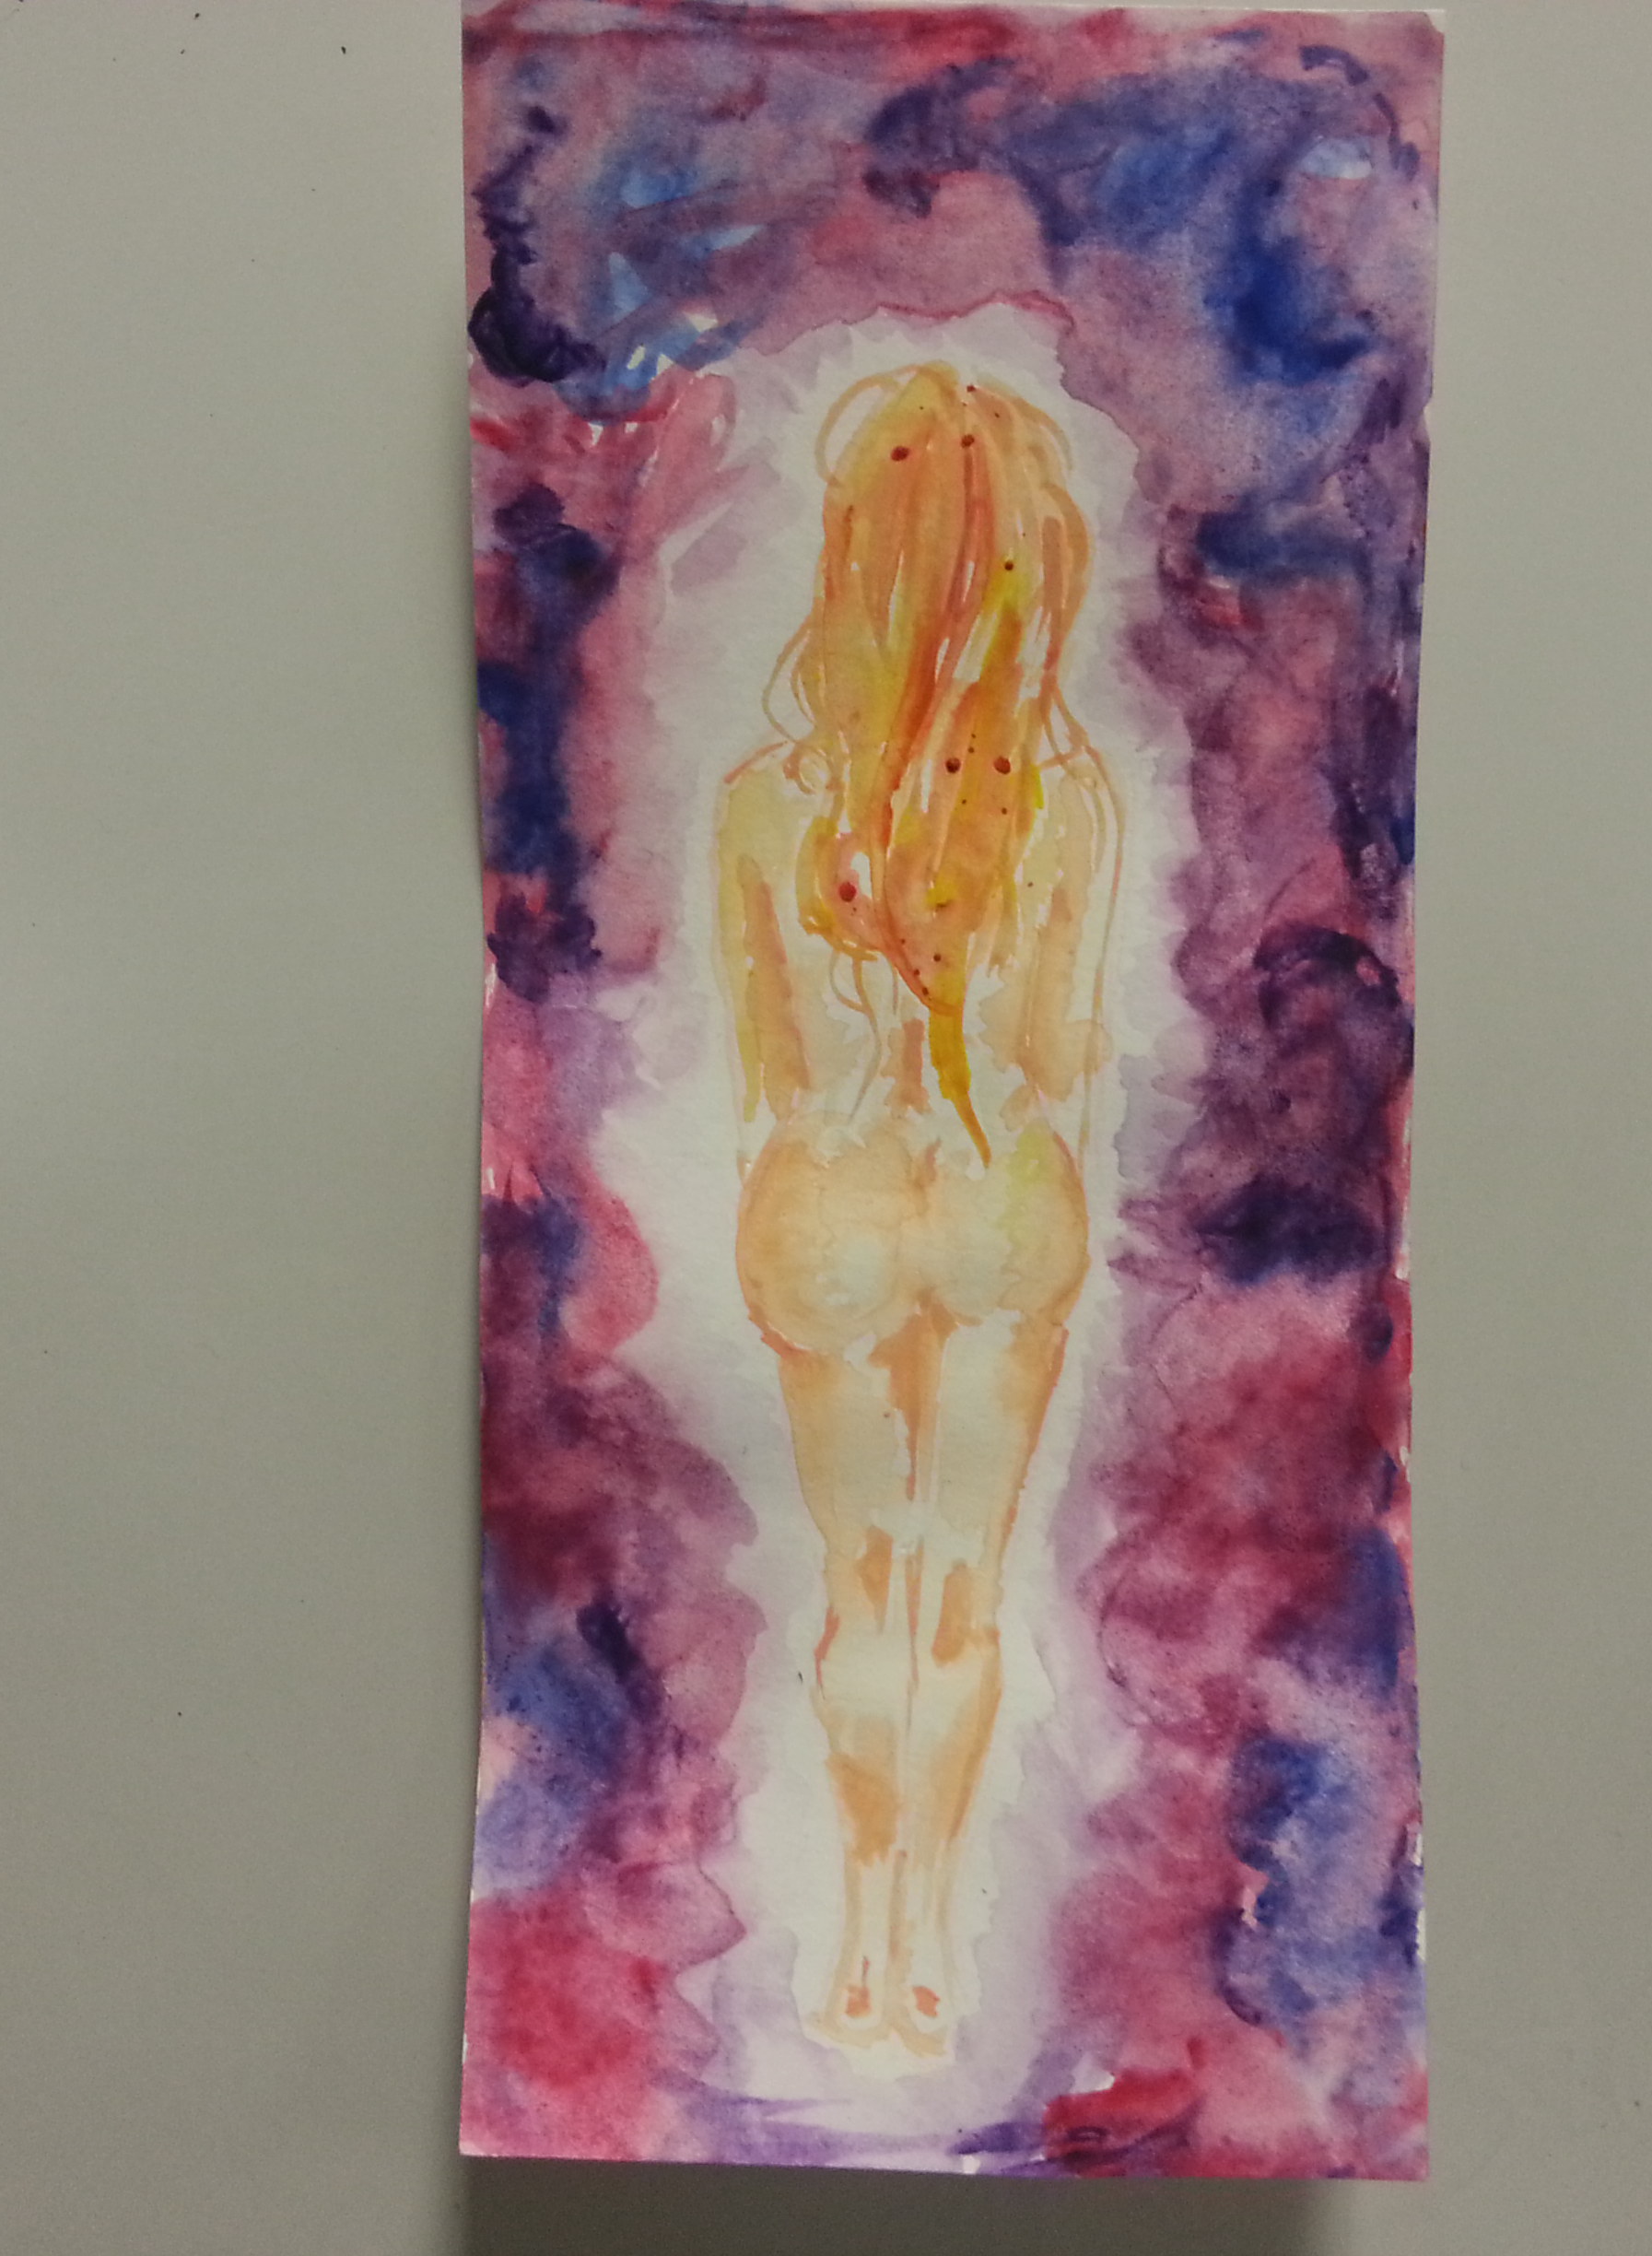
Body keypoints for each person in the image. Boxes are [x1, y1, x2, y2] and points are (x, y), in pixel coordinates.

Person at [713, 363, 1119, 2059]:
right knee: (960, 1596)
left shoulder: (764, 802)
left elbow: (765, 1062)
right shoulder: (1069, 806)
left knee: (859, 1592)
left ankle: (854, 1942)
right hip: (1000, 1203)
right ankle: (925, 1945)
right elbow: (1065, 1060)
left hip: (830, 1207)